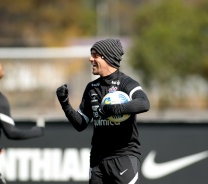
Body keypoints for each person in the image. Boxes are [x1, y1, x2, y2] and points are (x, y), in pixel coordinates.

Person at [56, 38, 150, 184]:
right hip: (98, 160)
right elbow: (80, 123)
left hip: (123, 157)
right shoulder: (92, 87)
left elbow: (144, 103)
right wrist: (65, 103)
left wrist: (114, 109)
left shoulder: (126, 83)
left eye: (95, 55)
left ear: (107, 58)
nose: (90, 59)